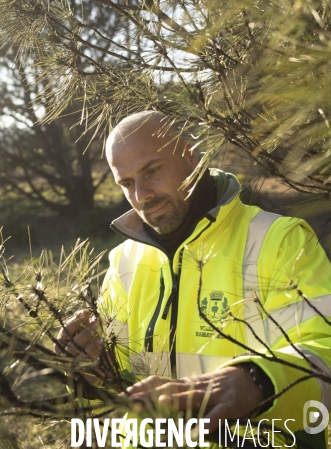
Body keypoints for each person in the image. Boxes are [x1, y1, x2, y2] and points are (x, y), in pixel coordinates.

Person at [55, 111, 331, 446]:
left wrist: (256, 382)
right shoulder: (124, 260)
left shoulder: (278, 240)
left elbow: (324, 356)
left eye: (152, 171)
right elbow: (121, 381)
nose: (141, 195)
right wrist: (88, 369)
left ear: (191, 155)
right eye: (126, 183)